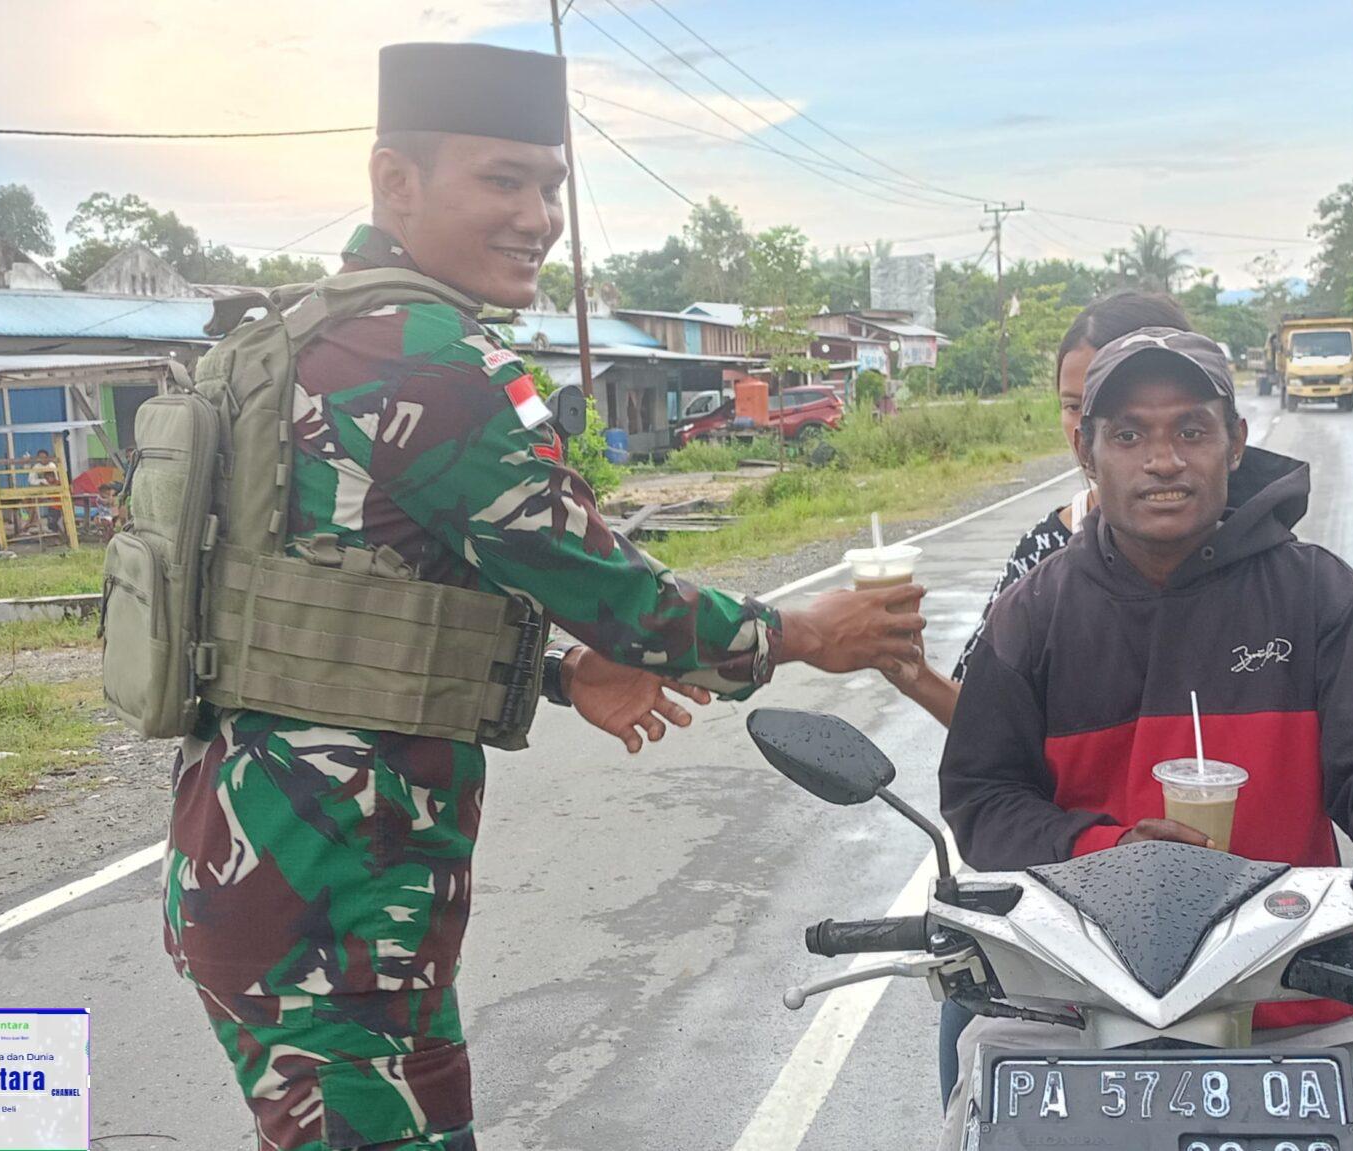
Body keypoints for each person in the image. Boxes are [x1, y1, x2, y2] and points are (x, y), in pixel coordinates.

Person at [161, 42, 926, 1151]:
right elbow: (620, 595)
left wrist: (561, 676)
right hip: (334, 904)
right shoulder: (426, 357)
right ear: (395, 183)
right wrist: (808, 631)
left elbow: (341, 608)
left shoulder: (308, 334)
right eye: (502, 180)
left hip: (261, 862)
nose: (538, 215)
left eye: (552, 185)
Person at [936, 328, 1353, 1151]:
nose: (1163, 460)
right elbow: (981, 797)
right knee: (964, 1023)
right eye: (1130, 434)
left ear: (1235, 442)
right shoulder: (1031, 615)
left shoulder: (1318, 593)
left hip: (1286, 983)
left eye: (1190, 429)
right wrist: (1107, 851)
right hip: (1077, 999)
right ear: (1086, 448)